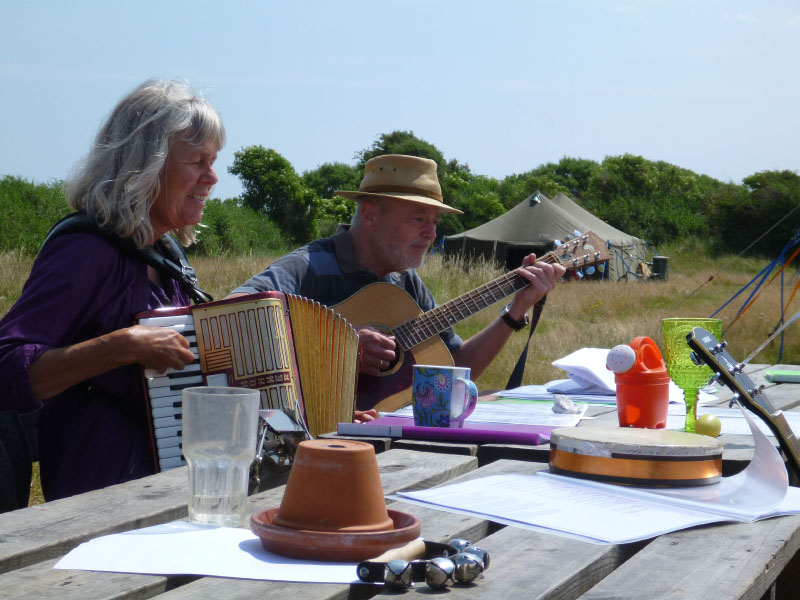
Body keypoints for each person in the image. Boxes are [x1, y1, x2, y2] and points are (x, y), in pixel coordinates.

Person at [0, 79, 224, 501]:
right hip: (101, 499)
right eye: (197, 161)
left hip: (164, 487)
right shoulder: (86, 250)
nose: (212, 177)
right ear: (146, 163)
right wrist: (122, 346)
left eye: (213, 161)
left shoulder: (167, 257)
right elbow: (5, 365)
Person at [230, 154, 565, 412]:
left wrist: (517, 308)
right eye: (418, 218)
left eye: (434, 222)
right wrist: (339, 348)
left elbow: (455, 369)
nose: (431, 233)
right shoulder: (307, 267)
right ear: (371, 215)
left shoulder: (405, 282)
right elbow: (233, 317)